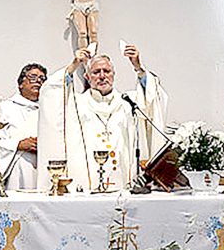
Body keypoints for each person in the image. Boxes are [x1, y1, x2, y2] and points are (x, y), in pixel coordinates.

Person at [37, 45, 168, 192]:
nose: (102, 76)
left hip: (123, 181)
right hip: (86, 185)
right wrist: (74, 65)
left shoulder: (128, 103)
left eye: (106, 71)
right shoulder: (76, 104)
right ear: (87, 77)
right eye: (96, 72)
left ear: (113, 74)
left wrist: (139, 68)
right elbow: (51, 92)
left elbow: (152, 97)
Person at [0, 64, 47, 190]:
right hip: (17, 171)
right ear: (21, 84)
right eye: (33, 77)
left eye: (42, 79)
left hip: (45, 170)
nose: (38, 82)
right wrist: (17, 145)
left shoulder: (49, 109)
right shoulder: (5, 108)